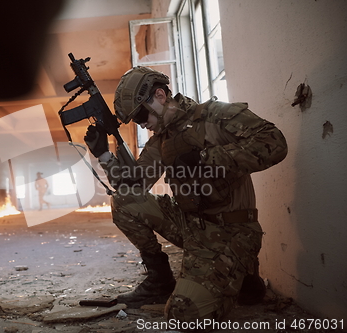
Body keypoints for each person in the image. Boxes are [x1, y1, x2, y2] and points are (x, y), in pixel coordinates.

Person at [83, 67, 287, 328]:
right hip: (191, 225)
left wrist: (206, 158)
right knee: (124, 201)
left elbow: (275, 142)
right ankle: (160, 279)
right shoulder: (161, 142)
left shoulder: (215, 116)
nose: (142, 123)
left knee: (183, 316)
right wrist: (104, 156)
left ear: (160, 95)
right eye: (136, 120)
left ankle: (241, 273)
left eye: (142, 114)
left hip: (231, 231)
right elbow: (133, 187)